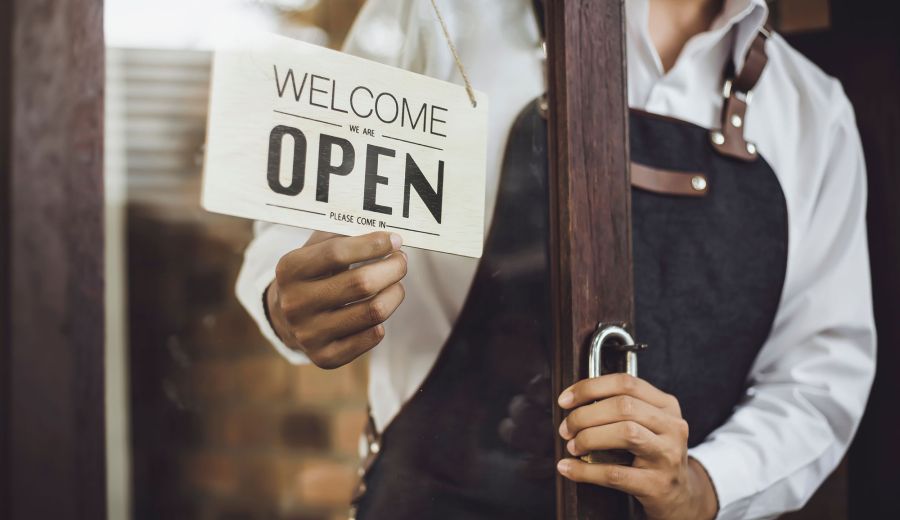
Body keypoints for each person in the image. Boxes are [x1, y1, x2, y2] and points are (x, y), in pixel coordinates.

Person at [236, 0, 876, 518]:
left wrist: (703, 485)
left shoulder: (814, 111)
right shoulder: (438, 16)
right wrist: (287, 298)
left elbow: (820, 376)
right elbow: (295, 230)